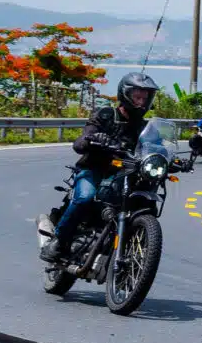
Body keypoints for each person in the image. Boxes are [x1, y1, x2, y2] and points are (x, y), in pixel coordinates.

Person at [39, 72, 160, 261]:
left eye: (146, 97)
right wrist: (93, 139)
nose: (142, 101)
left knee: (145, 203)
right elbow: (80, 142)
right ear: (126, 94)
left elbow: (155, 146)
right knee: (85, 197)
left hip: (127, 174)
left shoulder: (144, 127)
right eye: (138, 96)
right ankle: (58, 242)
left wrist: (171, 159)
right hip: (95, 169)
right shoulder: (105, 115)